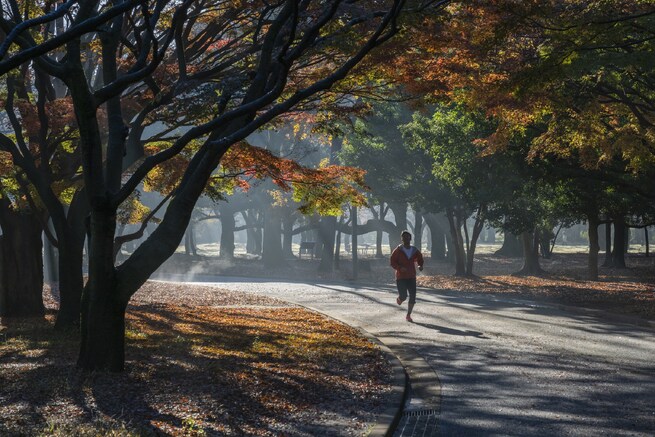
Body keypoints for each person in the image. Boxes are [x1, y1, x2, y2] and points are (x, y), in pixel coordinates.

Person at [390, 230, 424, 322]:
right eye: (404, 237)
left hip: (411, 276)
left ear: (410, 238)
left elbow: (420, 258)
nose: (406, 238)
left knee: (413, 296)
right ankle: (400, 298)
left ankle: (408, 315)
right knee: (404, 296)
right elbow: (392, 262)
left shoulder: (414, 250)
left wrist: (420, 265)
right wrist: (399, 268)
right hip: (401, 277)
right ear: (402, 239)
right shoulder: (398, 250)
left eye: (408, 237)